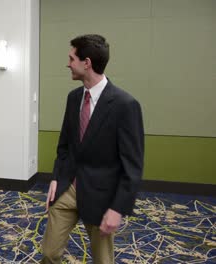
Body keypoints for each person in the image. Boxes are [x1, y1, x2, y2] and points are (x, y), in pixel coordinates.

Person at [41, 34, 144, 263]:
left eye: (71, 58)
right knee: (49, 254)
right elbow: (64, 146)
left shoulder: (125, 105)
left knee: (102, 260)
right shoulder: (73, 97)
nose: (68, 63)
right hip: (68, 188)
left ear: (86, 63)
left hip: (101, 196)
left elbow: (133, 166)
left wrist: (118, 208)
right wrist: (56, 178)